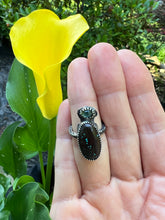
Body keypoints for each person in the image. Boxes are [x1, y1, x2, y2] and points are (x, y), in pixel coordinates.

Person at [50, 43, 165, 219]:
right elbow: (97, 129)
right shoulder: (91, 127)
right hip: (90, 142)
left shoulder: (82, 128)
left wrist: (81, 133)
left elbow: (82, 132)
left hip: (89, 141)